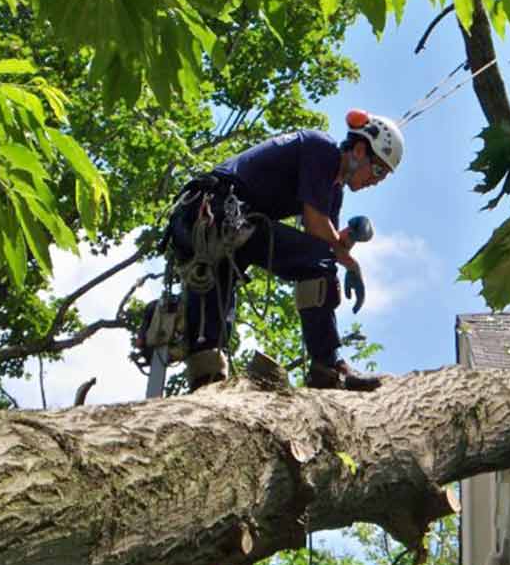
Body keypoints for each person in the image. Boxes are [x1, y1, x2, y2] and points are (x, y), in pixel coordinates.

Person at [165, 111, 402, 391]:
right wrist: (349, 264)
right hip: (217, 212)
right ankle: (326, 367)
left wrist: (345, 241)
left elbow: (323, 239)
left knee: (216, 299)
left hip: (224, 222)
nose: (375, 181)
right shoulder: (322, 149)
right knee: (316, 263)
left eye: (382, 178)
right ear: (359, 150)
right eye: (377, 171)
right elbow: (317, 230)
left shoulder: (333, 191)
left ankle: (207, 382)